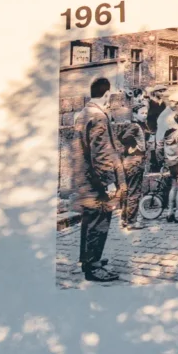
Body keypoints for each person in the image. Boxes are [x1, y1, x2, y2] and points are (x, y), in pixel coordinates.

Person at [72, 77, 126, 282]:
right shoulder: (98, 116)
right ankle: (93, 267)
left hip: (86, 178)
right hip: (97, 181)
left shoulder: (83, 113)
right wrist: (109, 181)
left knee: (89, 221)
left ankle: (87, 259)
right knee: (99, 221)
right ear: (106, 94)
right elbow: (101, 153)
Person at [118, 102, 148, 230]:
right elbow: (124, 137)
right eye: (142, 113)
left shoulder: (135, 125)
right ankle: (132, 222)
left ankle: (125, 219)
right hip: (135, 161)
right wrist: (135, 147)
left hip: (130, 161)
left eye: (146, 113)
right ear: (135, 114)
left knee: (129, 191)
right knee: (134, 192)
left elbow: (120, 136)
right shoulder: (135, 126)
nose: (145, 115)